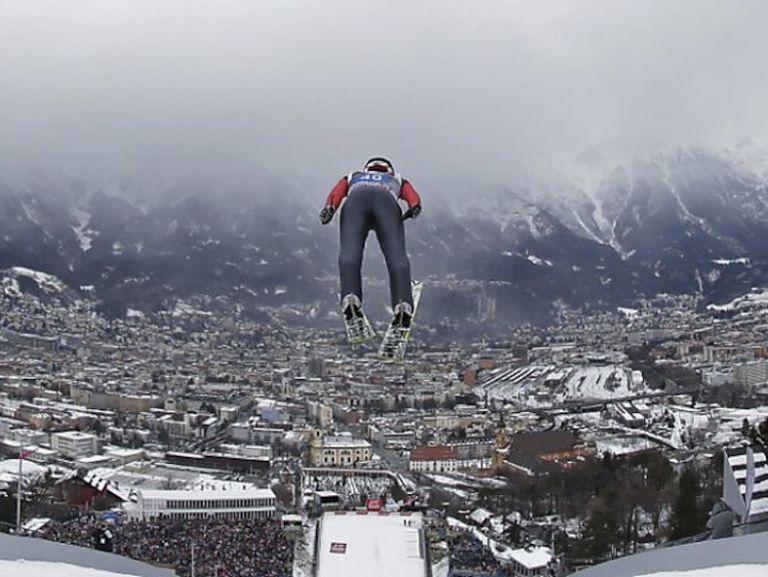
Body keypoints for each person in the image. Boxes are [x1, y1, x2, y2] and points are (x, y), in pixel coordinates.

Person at [320, 157, 422, 328]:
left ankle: (350, 298)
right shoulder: (397, 179)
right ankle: (402, 304)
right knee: (397, 257)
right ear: (388, 169)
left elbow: (336, 193)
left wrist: (329, 208)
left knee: (349, 253)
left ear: (367, 169)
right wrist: (414, 207)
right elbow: (413, 197)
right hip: (387, 203)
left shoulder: (353, 176)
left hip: (356, 200)